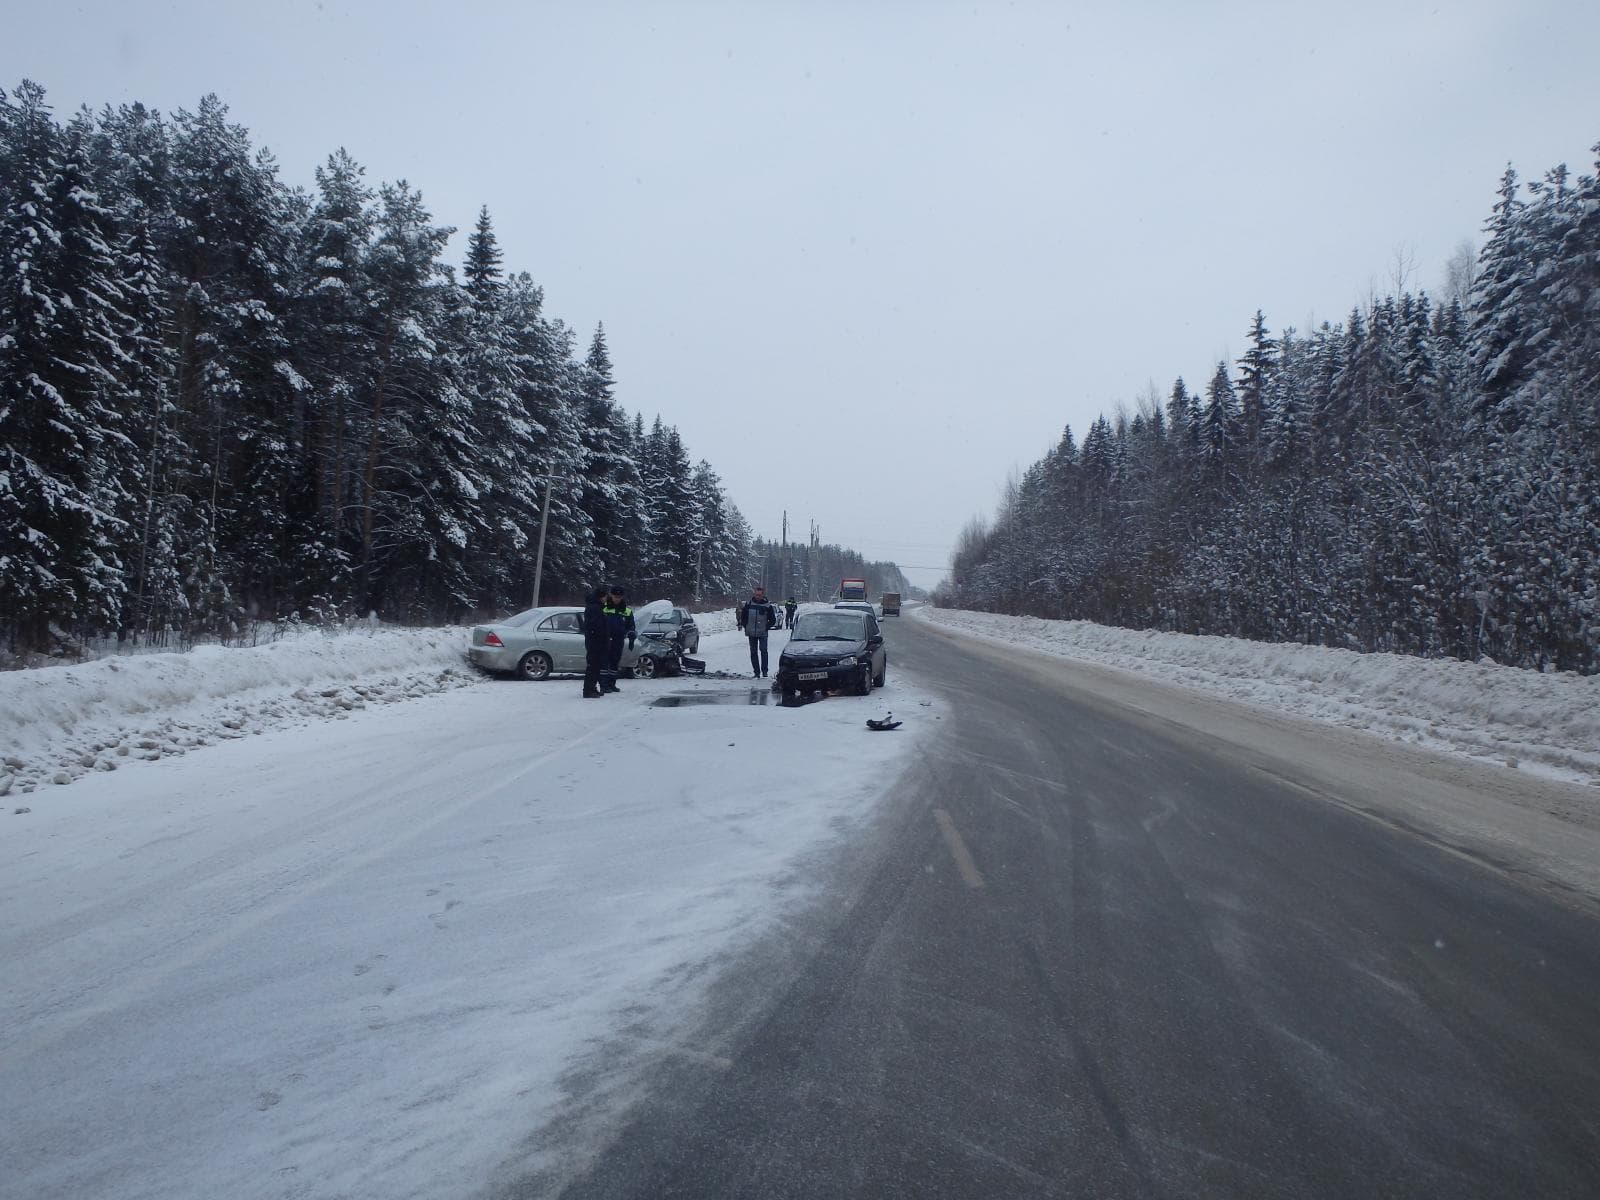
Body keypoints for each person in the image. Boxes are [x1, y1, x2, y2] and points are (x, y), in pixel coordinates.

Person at [600, 585, 635, 693]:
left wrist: (631, 633)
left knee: (615, 661)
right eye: (615, 597)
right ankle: (603, 685)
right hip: (605, 639)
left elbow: (631, 626)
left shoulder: (627, 611)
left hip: (618, 640)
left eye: (619, 597)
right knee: (604, 663)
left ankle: (612, 683)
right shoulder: (604, 607)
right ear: (611, 595)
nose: (617, 599)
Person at [739, 584, 779, 677]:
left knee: (763, 650)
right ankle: (756, 672)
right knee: (753, 652)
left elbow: (772, 620)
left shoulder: (767, 605)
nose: (758, 597)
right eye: (756, 595)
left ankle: (764, 671)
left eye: (760, 595)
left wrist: (766, 627)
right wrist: (746, 626)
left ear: (763, 595)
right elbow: (743, 616)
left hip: (763, 633)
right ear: (754, 594)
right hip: (751, 632)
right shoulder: (748, 604)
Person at [580, 585, 609, 698]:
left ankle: (592, 688)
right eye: (605, 596)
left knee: (595, 666)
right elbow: (595, 626)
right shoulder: (594, 608)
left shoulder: (596, 607)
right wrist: (602, 636)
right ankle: (588, 690)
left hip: (596, 641)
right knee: (593, 666)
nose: (606, 599)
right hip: (595, 642)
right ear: (601, 597)